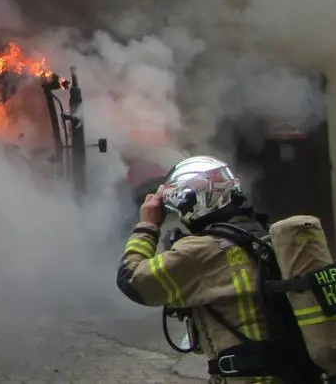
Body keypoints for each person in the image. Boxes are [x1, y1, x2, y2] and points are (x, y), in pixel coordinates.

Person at [115, 156, 279, 384]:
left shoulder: (202, 250)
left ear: (194, 204)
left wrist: (148, 226)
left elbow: (132, 280)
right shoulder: (266, 237)